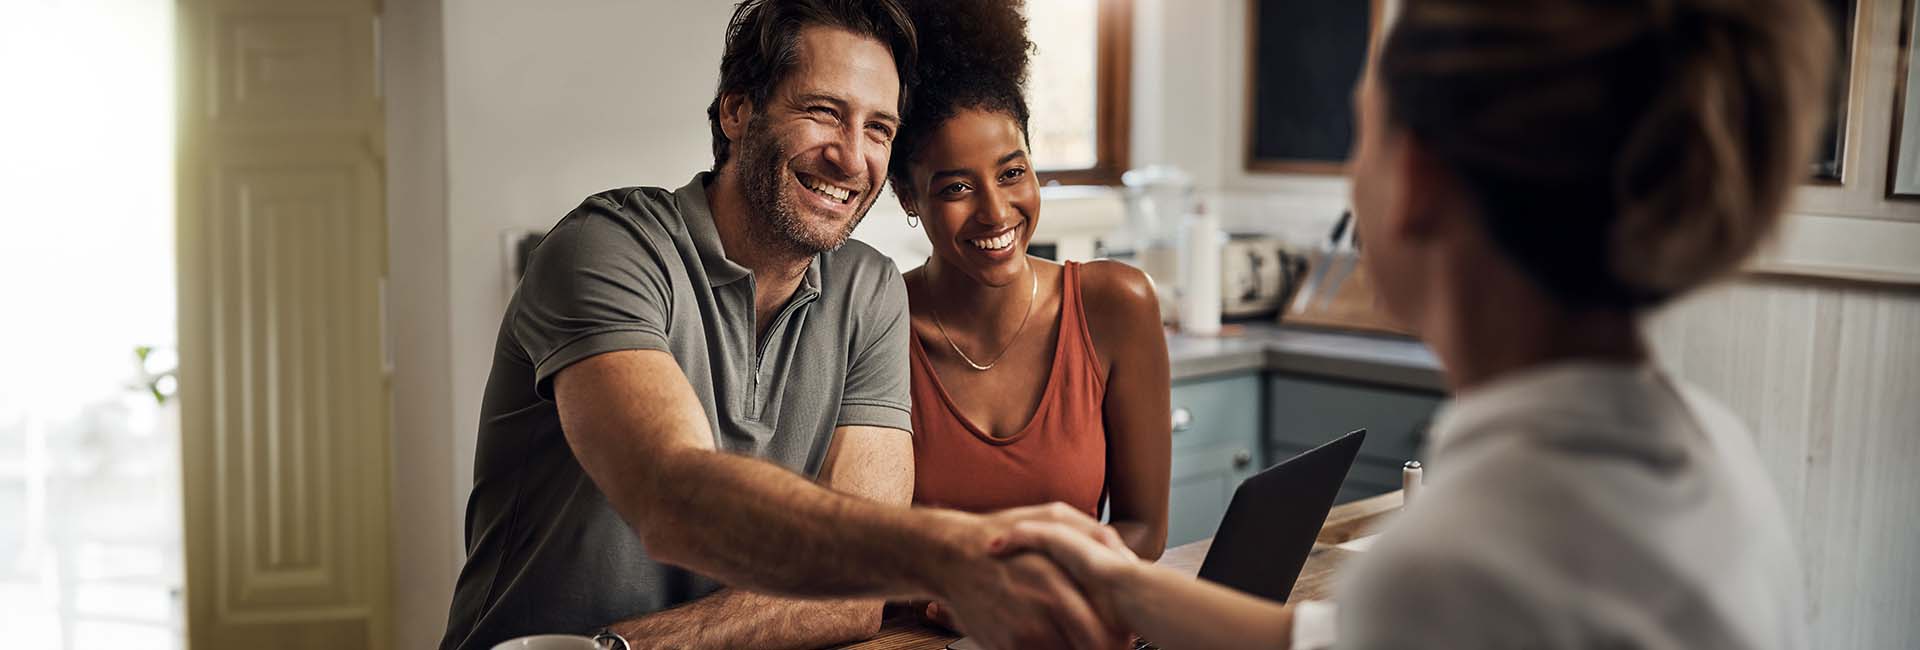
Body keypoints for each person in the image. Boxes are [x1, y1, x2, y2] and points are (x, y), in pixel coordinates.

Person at [995, 0, 1833, 648]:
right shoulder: (1712, 452)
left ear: (1418, 181)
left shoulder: (1459, 564)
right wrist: (1124, 586)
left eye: (1361, 136)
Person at [438, 2, 1129, 649]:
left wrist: (631, 647)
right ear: (738, 111)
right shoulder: (607, 248)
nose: (852, 157)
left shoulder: (868, 290)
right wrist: (947, 551)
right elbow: (672, 496)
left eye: (879, 129)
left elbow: (855, 596)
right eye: (824, 113)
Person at [879, 0, 1171, 626]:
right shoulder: (877, 324)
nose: (995, 211)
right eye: (955, 187)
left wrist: (1031, 592)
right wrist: (953, 597)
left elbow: (1143, 530)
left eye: (1012, 172)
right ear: (906, 194)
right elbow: (852, 549)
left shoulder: (1117, 305)